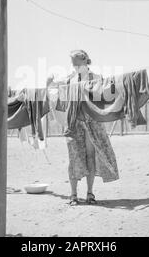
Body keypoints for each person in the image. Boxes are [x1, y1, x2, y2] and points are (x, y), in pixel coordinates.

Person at [47, 50, 119, 206]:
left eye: (77, 63)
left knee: (90, 156)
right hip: (74, 123)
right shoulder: (68, 80)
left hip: (92, 123)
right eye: (73, 64)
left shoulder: (97, 79)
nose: (75, 66)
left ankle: (90, 193)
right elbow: (55, 95)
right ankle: (73, 195)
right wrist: (50, 84)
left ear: (85, 61)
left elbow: (107, 96)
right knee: (74, 158)